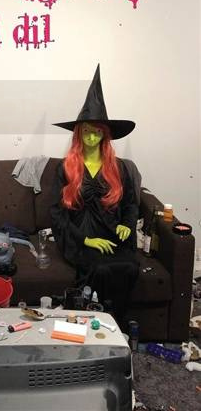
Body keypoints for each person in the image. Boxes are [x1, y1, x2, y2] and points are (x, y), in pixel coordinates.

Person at [50, 65, 139, 326]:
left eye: (97, 131)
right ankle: (93, 320)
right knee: (99, 269)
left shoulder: (119, 168)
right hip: (80, 237)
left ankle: (116, 323)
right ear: (79, 133)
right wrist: (86, 240)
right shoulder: (66, 168)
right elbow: (57, 215)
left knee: (129, 267)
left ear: (104, 134)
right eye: (87, 130)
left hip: (111, 233)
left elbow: (131, 203)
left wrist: (127, 224)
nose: (91, 136)